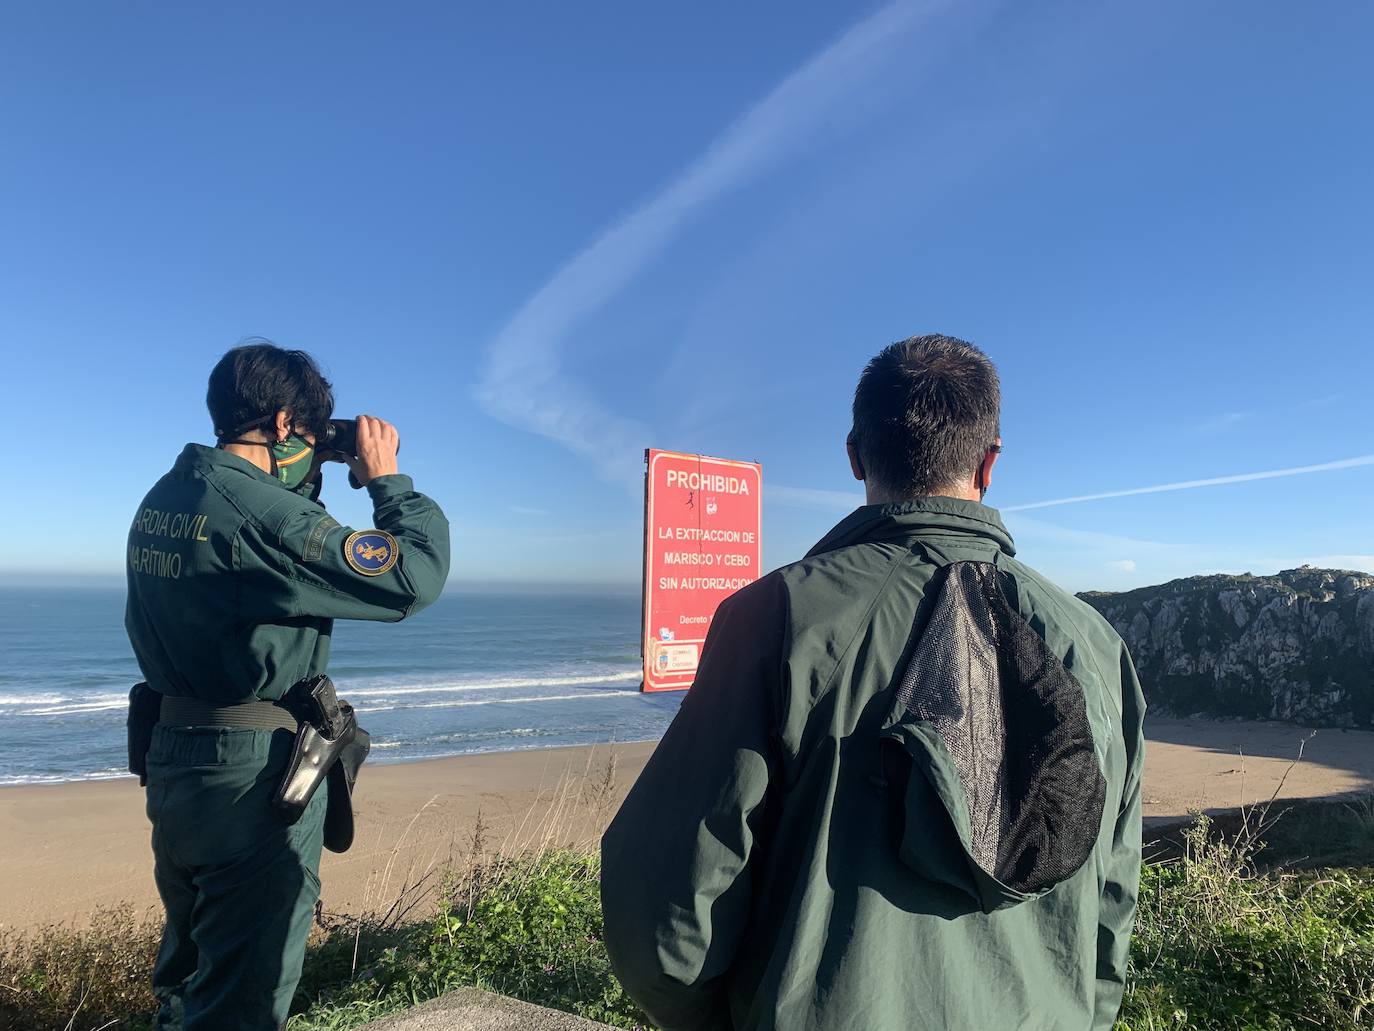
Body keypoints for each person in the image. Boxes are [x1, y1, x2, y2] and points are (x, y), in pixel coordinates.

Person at [601, 334, 1146, 1031]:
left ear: (856, 454)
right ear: (990, 461)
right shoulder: (1098, 647)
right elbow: (1110, 910)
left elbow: (665, 918)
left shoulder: (774, 620)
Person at [125, 342, 451, 1030]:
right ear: (280, 424)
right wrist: (388, 483)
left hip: (175, 761)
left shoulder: (169, 494)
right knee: (243, 996)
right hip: (251, 781)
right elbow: (412, 577)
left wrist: (315, 462)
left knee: (187, 980)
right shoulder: (267, 520)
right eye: (307, 432)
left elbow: (262, 535)